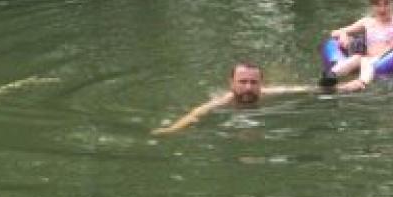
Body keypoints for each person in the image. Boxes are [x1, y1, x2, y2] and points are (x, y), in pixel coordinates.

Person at [151, 61, 354, 136]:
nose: (248, 87)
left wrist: (341, 88)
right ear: (231, 83)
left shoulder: (268, 94)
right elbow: (195, 115)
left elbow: (302, 89)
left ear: (261, 84)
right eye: (243, 82)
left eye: (253, 82)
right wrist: (171, 129)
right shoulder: (223, 102)